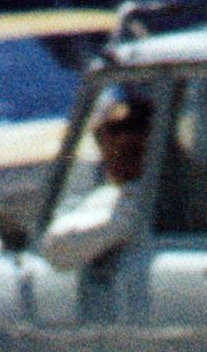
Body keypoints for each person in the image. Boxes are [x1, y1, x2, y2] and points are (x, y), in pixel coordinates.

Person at [40, 90, 153, 269]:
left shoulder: (147, 197)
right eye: (109, 133)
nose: (118, 147)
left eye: (133, 131)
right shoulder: (107, 195)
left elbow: (56, 247)